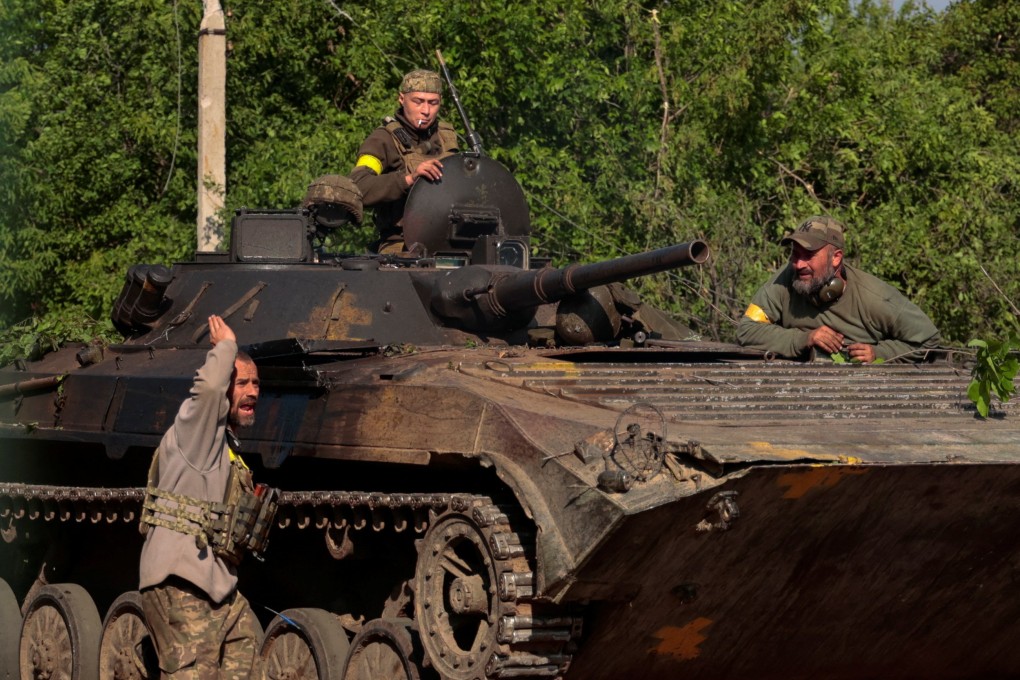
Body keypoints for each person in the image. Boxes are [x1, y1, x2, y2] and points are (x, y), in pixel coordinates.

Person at [139, 315, 276, 679]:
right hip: (180, 582)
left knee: (247, 653)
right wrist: (226, 346)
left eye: (257, 384)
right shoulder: (196, 429)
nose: (253, 392)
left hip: (218, 589)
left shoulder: (227, 450)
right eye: (243, 383)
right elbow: (210, 389)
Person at [736, 216, 941, 362]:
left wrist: (880, 354)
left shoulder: (876, 298)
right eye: (795, 254)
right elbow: (747, 330)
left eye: (808, 255)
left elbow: (929, 341)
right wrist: (804, 339)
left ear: (836, 258)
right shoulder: (785, 279)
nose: (799, 264)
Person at [349, 68, 459, 253]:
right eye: (418, 102)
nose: (426, 111)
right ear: (402, 99)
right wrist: (408, 179)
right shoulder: (383, 140)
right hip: (401, 246)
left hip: (450, 242)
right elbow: (358, 187)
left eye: (433, 103)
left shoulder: (447, 137)